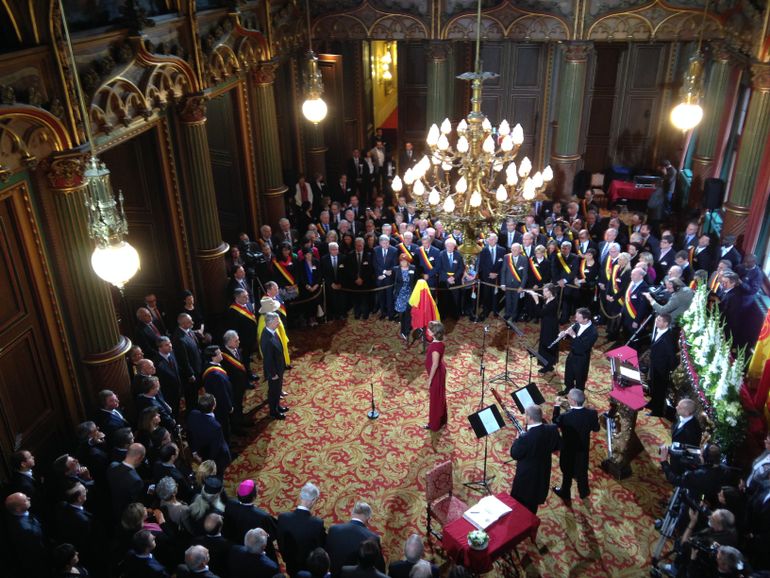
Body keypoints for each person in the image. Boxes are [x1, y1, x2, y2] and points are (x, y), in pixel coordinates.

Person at [509, 404, 561, 515]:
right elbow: (557, 446)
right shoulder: (552, 429)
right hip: (543, 473)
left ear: (529, 418)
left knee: (519, 507)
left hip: (526, 479)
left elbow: (514, 454)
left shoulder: (525, 438)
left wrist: (517, 440)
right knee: (533, 507)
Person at [551, 389, 600, 503]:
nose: (567, 399)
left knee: (567, 471)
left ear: (572, 401)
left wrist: (557, 406)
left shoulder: (565, 417)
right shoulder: (592, 413)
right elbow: (596, 428)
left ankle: (565, 492)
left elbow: (555, 422)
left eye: (568, 398)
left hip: (568, 450)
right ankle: (584, 492)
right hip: (583, 448)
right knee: (582, 470)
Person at [277, 482, 327, 577]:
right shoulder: (317, 523)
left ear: (301, 496)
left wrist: (286, 558)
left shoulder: (283, 517)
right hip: (310, 567)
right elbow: (321, 547)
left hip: (291, 564)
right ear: (314, 500)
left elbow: (281, 542)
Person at [326, 502, 385, 576]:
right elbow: (379, 568)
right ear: (368, 518)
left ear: (352, 513)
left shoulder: (333, 530)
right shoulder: (372, 538)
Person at [558, 308, 598, 394]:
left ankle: (578, 395)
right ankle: (568, 389)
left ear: (585, 319)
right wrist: (565, 335)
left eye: (578, 318)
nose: (575, 319)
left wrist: (573, 335)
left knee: (580, 377)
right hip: (572, 354)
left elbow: (583, 347)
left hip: (582, 358)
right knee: (569, 374)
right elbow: (570, 335)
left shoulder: (593, 332)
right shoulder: (577, 324)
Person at [647, 313, 677, 417]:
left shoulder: (668, 338)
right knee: (653, 386)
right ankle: (652, 403)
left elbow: (672, 356)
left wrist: (668, 370)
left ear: (665, 323)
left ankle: (657, 411)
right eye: (657, 320)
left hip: (662, 369)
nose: (656, 322)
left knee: (660, 390)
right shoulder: (658, 331)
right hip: (655, 365)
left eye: (659, 321)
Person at [261, 311, 289, 420]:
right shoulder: (267, 338)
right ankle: (274, 411)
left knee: (277, 390)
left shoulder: (272, 331)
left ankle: (278, 406)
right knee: (273, 391)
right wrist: (273, 374)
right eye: (277, 321)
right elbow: (268, 359)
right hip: (274, 372)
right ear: (270, 323)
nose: (278, 323)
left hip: (278, 368)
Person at [425, 321, 447, 432]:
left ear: (434, 333)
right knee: (439, 397)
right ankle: (441, 419)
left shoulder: (435, 348)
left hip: (436, 376)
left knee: (435, 400)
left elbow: (435, 364)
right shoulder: (439, 343)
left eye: (429, 330)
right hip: (440, 372)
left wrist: (430, 380)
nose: (427, 330)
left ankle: (434, 424)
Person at [500, 243, 528, 322]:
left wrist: (522, 286)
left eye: (516, 250)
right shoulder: (506, 257)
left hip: (518, 285)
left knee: (516, 301)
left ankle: (514, 315)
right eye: (512, 249)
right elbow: (503, 271)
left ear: (520, 250)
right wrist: (502, 283)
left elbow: (525, 275)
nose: (514, 251)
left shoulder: (524, 259)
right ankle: (508, 313)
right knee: (508, 299)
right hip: (508, 284)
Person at [393, 253, 417, 340]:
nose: (403, 263)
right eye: (401, 261)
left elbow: (415, 280)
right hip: (400, 294)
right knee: (402, 313)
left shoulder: (413, 268)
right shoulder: (396, 269)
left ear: (408, 261)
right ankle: (403, 330)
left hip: (410, 294)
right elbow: (394, 282)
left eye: (405, 261)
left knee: (408, 313)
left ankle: (407, 329)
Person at [536, 284, 559, 373]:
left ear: (551, 292)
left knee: (547, 344)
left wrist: (537, 301)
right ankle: (548, 364)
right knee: (544, 343)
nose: (544, 293)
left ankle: (547, 366)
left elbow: (540, 313)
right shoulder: (549, 299)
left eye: (546, 291)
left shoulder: (553, 303)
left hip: (550, 327)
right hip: (546, 324)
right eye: (543, 291)